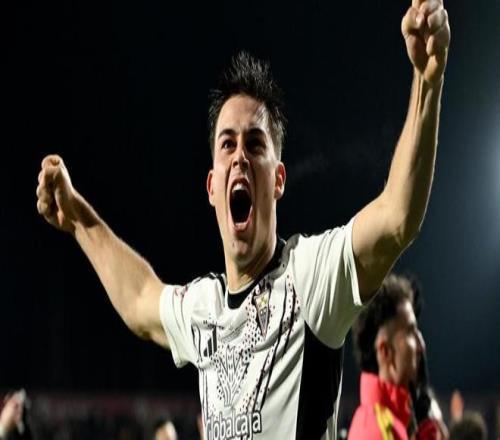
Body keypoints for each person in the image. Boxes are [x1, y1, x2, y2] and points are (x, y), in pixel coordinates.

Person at [35, 0, 450, 437]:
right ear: (212, 186)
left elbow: (397, 217)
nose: (239, 157)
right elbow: (139, 297)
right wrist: (78, 218)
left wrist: (427, 81)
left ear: (278, 179)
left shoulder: (310, 279)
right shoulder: (203, 308)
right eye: (227, 144)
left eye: (255, 144)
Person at [348, 274, 445, 440]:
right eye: (411, 331)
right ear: (385, 351)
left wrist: (424, 425)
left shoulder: (390, 423)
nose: (421, 345)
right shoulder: (378, 432)